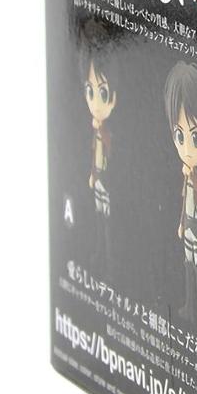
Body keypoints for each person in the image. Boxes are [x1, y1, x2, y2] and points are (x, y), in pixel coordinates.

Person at [164, 61, 197, 339]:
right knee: (188, 267)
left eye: (195, 138)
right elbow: (183, 204)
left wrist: (193, 227)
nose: (186, 149)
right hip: (187, 228)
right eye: (179, 135)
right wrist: (180, 224)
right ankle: (188, 308)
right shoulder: (186, 178)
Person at [79, 17, 120, 279]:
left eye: (103, 93)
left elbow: (110, 158)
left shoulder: (107, 135)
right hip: (99, 181)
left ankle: (109, 256)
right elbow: (93, 156)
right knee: (98, 217)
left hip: (108, 182)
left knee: (108, 221)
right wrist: (93, 174)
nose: (95, 103)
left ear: (113, 98)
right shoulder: (96, 133)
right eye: (90, 91)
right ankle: (100, 252)